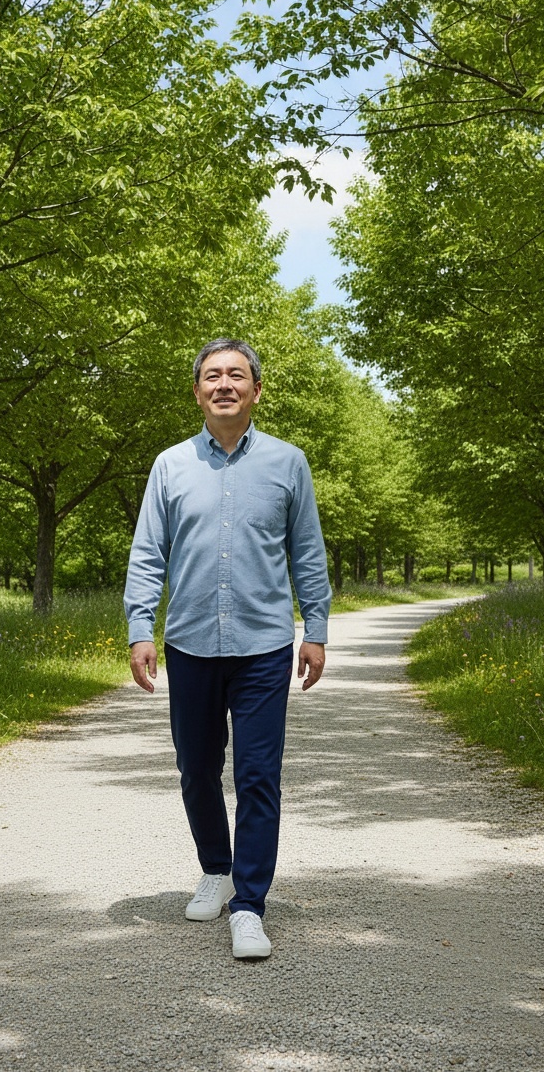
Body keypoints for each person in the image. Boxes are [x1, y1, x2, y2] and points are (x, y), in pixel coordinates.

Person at [124, 338, 331, 960]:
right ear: (197, 392)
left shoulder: (289, 462)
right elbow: (147, 552)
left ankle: (249, 905)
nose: (224, 385)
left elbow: (307, 551)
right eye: (212, 376)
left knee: (258, 775)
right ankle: (216, 868)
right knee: (196, 768)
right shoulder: (170, 465)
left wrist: (316, 628)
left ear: (256, 390)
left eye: (236, 375)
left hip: (264, 644)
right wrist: (140, 627)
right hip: (190, 642)